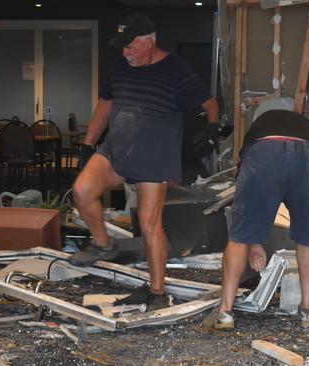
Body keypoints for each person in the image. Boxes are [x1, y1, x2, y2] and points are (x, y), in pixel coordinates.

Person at [69, 12, 219, 309]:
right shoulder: (119, 66)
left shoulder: (175, 70)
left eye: (131, 46)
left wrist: (212, 128)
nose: (125, 53)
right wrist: (87, 145)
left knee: (151, 225)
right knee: (82, 191)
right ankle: (103, 243)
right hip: (117, 150)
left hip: (154, 158)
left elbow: (209, 102)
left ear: (149, 42)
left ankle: (157, 293)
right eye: (122, 47)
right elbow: (105, 104)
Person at [210, 109, 309, 330]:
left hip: (262, 151)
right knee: (307, 236)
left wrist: (254, 242)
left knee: (239, 236)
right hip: (307, 155)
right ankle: (307, 311)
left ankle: (225, 312)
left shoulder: (256, 131)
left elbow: (249, 194)